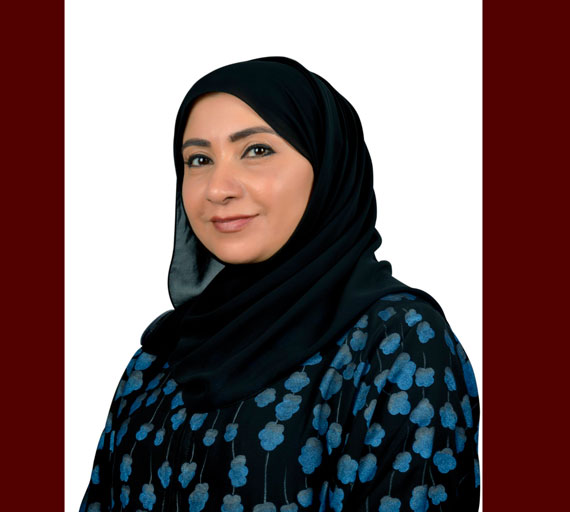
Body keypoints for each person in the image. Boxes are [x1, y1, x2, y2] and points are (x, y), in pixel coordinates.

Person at [79, 56, 480, 512]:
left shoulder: (397, 345)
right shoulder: (160, 359)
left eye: (256, 151)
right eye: (199, 159)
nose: (217, 188)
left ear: (327, 165)